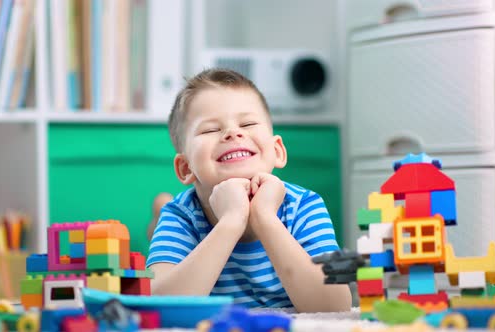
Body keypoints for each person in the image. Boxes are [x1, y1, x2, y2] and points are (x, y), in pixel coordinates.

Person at [146, 68, 351, 312]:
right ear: (185, 168)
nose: (233, 133)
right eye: (211, 129)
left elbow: (335, 305)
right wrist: (231, 222)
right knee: (165, 217)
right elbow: (160, 307)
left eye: (248, 123)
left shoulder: (305, 205)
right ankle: (158, 212)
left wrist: (265, 218)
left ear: (277, 151)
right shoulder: (181, 215)